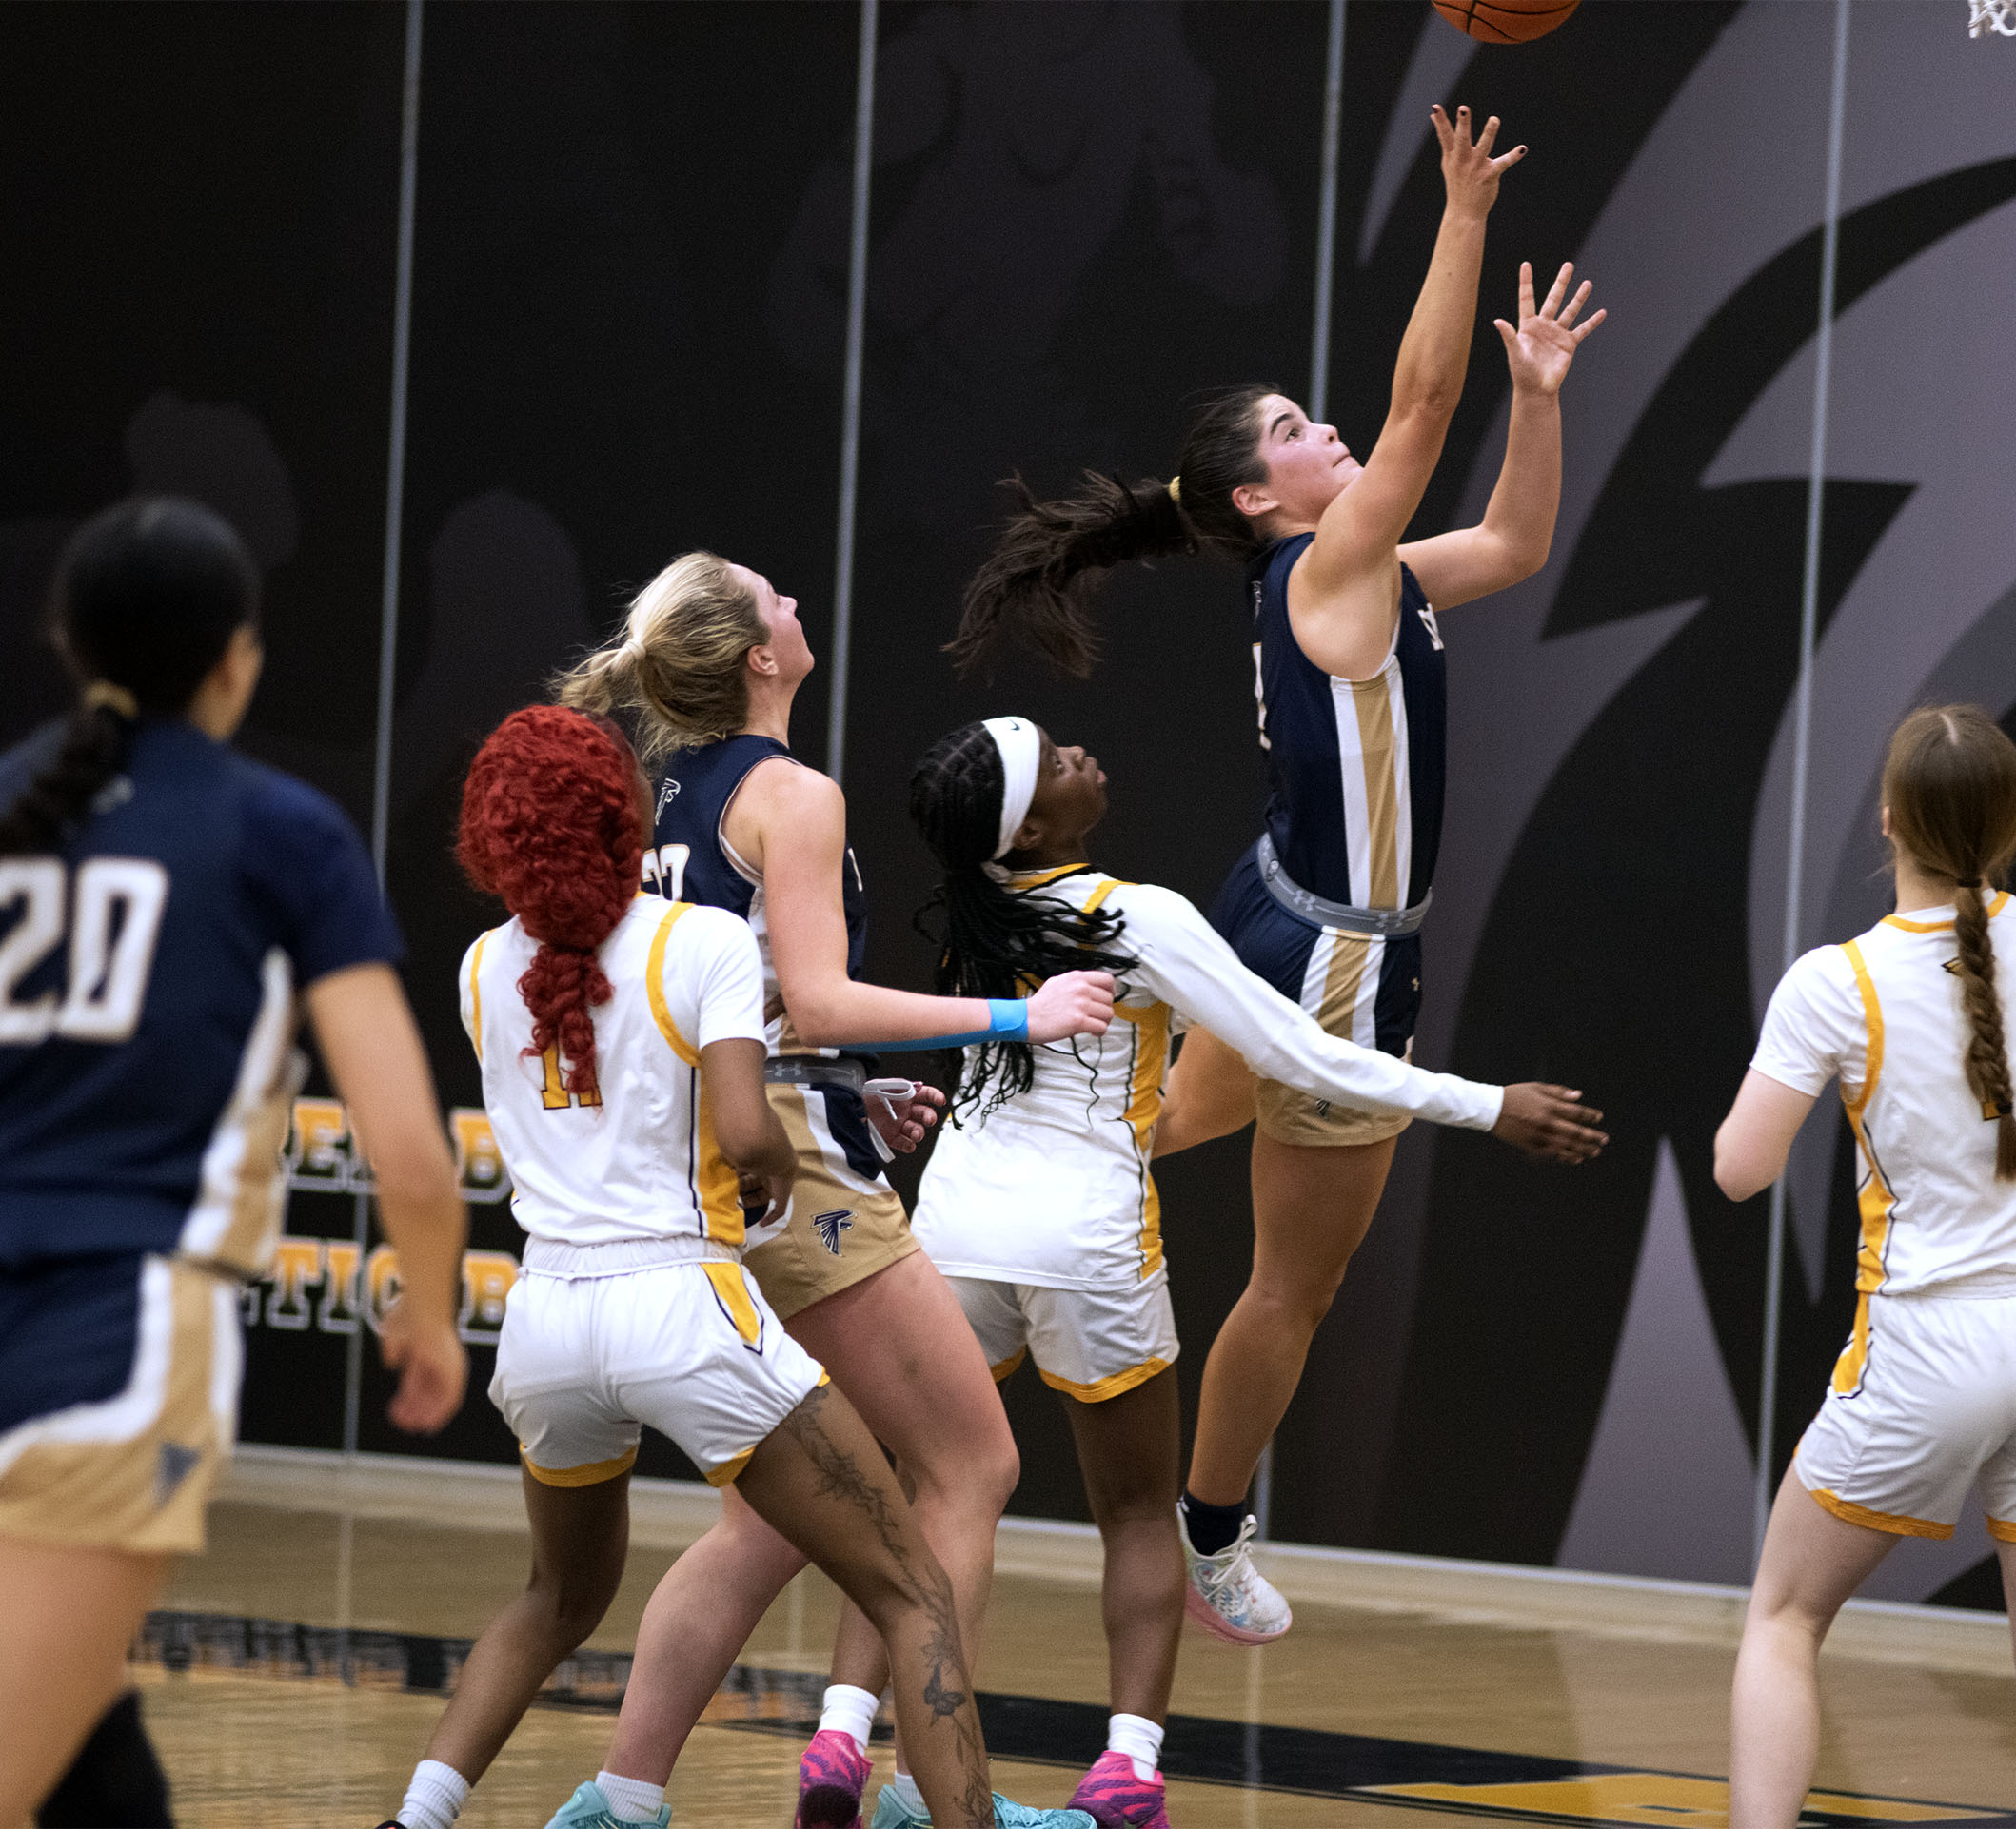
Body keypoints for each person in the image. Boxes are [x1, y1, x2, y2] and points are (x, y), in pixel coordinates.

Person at [949, 104, 1607, 1640]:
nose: (1336, 435)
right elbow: (1425, 399)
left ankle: (974, 1190)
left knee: (1146, 1137)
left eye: (1322, 418)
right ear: (1262, 499)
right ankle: (1214, 1522)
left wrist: (1545, 394)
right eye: (1303, 431)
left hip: (1279, 908)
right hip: (1338, 954)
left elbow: (1508, 540)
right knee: (1290, 1284)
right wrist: (1458, 217)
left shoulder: (1362, 573)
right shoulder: (1326, 571)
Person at [899, 715, 1608, 1825]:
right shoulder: (1139, 913)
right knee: (1137, 1514)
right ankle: (1129, 1767)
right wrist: (1487, 1105)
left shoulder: (972, 912)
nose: (1083, 746)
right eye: (1054, 758)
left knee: (924, 1501)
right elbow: (1304, 1053)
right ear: (1031, 823)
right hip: (1086, 1243)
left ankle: (859, 1751)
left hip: (950, 1233)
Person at [382, 706, 1022, 1829]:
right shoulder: (702, 939)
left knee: (555, 1596)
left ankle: (420, 1816)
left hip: (545, 1322)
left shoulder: (484, 963)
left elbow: (614, 1071)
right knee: (912, 1582)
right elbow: (742, 1124)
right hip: (681, 1305)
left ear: (493, 838)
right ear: (619, 811)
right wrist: (777, 1159)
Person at [554, 556, 1109, 1828]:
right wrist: (1019, 1008)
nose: (795, 602)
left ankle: (619, 1799)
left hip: (713, 1166)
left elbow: (733, 1006)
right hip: (792, 1181)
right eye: (774, 596)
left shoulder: (659, 795)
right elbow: (812, 996)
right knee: (972, 1462)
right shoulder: (789, 793)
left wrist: (849, 1087)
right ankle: (931, 1796)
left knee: (774, 1520)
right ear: (757, 654)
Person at [0, 498, 468, 1827]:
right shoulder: (280, 831)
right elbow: (412, 1158)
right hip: (116, 1336)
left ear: (63, 639)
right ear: (238, 659)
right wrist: (426, 1312)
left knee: (87, 1750)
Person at [1712, 705, 2016, 1829]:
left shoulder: (1837, 979)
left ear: (1888, 822)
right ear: (2015, 822)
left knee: (1782, 1619)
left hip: (1926, 1342)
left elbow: (1740, 1169)